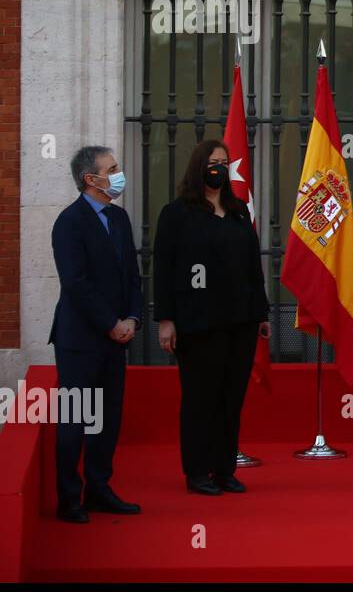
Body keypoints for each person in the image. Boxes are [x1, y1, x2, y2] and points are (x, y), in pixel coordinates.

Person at [152, 139, 270, 496]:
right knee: (201, 398)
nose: (218, 168)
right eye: (212, 162)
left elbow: (253, 265)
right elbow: (164, 268)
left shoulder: (236, 211)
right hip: (198, 322)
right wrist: (166, 319)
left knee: (230, 398)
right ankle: (197, 471)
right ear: (199, 167)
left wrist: (261, 311)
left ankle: (224, 469)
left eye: (223, 162)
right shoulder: (177, 214)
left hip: (241, 320)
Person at [48, 145, 144, 523]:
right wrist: (111, 323)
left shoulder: (119, 219)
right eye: (113, 168)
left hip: (116, 338)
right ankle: (69, 498)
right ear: (92, 179)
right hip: (79, 341)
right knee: (76, 420)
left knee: (107, 418)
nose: (119, 174)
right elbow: (75, 282)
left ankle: (99, 488)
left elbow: (132, 277)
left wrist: (133, 318)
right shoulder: (69, 222)